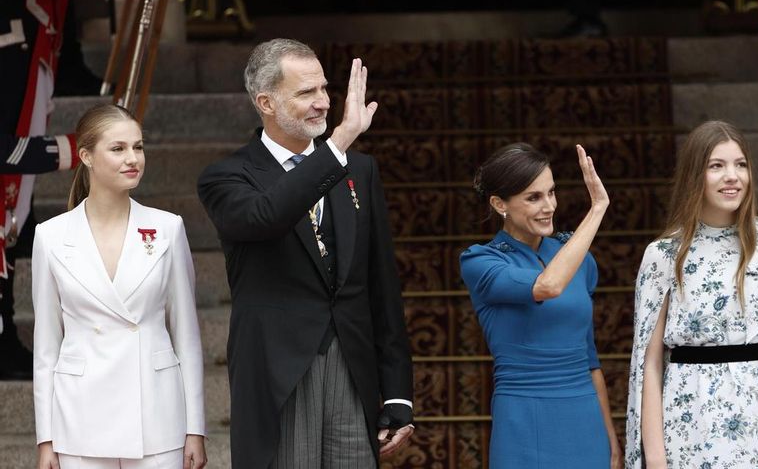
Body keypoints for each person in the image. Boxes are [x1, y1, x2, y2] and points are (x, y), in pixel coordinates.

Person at [197, 38, 414, 468]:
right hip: (279, 375)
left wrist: (397, 393)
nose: (323, 102)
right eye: (305, 92)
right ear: (266, 102)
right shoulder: (227, 177)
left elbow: (381, 285)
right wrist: (340, 142)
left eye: (324, 88)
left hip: (352, 369)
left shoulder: (361, 170)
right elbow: (267, 217)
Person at [624, 121, 758, 468]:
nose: (732, 176)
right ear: (695, 175)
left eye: (741, 164)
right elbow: (650, 362)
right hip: (690, 426)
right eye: (716, 166)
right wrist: (657, 458)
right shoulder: (663, 255)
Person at [31, 104, 206, 468]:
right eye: (118, 148)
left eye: (138, 147)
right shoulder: (50, 236)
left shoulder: (167, 228)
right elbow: (46, 347)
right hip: (79, 419)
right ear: (86, 156)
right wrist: (45, 438)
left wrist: (195, 428)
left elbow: (187, 336)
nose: (133, 158)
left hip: (157, 417)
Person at [0, 0, 147, 381]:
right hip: (13, 39)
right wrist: (74, 150)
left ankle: (4, 334)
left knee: (13, 213)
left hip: (29, 44)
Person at [459, 143, 621, 468]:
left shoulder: (579, 259)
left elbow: (590, 359)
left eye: (551, 192)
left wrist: (610, 438)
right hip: (524, 418)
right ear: (499, 204)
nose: (549, 206)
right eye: (533, 198)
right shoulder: (480, 261)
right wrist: (598, 208)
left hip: (585, 419)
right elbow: (548, 286)